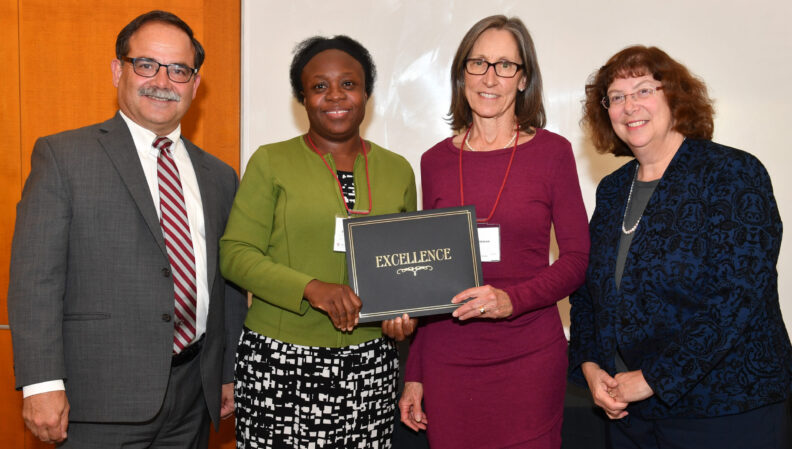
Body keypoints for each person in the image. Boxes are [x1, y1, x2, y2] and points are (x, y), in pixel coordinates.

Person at [7, 10, 246, 448]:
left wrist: (227, 371)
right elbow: (34, 279)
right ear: (119, 70)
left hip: (194, 397)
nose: (162, 80)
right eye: (146, 64)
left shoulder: (219, 175)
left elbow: (228, 282)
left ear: (195, 84)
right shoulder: (63, 157)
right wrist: (41, 383)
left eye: (179, 70)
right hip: (97, 400)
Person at [567, 45, 792, 448]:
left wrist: (654, 379)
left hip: (726, 411)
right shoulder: (614, 190)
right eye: (616, 97)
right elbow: (588, 293)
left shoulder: (732, 173)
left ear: (674, 96)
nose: (629, 105)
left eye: (643, 90)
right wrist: (590, 365)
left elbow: (737, 298)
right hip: (628, 414)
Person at [399, 15, 590, 448]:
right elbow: (430, 275)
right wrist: (415, 374)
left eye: (505, 65)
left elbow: (578, 259)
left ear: (523, 79)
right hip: (451, 358)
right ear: (461, 73)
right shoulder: (434, 161)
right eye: (478, 63)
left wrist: (511, 300)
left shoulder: (553, 153)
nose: (490, 77)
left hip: (529, 356)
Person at [219, 35, 417, 448]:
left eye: (348, 84)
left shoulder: (397, 170)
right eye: (319, 86)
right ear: (302, 98)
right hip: (282, 360)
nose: (335, 96)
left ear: (367, 93)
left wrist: (403, 316)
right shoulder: (271, 162)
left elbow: (404, 266)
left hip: (370, 367)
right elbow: (235, 255)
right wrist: (311, 289)